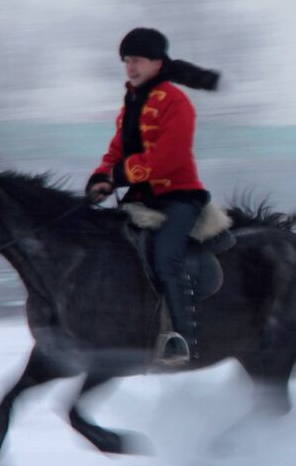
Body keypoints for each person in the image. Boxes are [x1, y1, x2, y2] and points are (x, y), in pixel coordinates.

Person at [86, 28, 219, 366]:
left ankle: (183, 340)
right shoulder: (131, 101)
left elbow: (168, 157)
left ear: (158, 62)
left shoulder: (175, 101)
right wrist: (101, 177)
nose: (130, 67)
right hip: (141, 198)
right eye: (127, 61)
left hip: (179, 197)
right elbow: (117, 148)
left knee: (167, 258)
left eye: (137, 60)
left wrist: (119, 175)